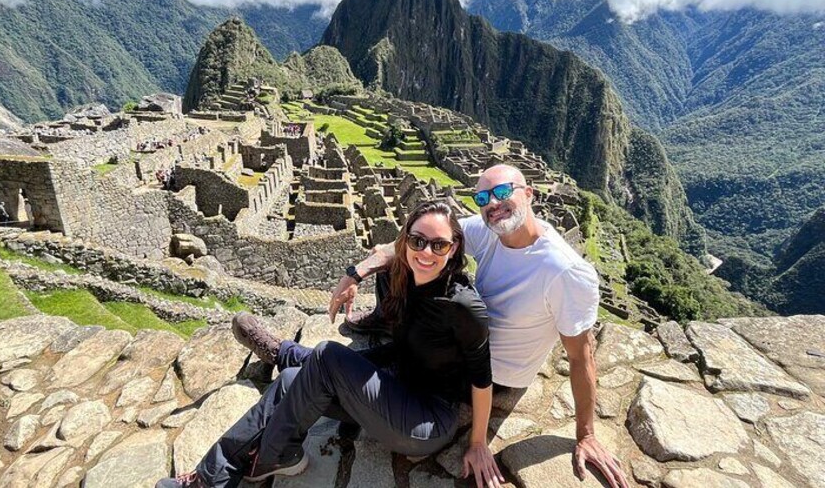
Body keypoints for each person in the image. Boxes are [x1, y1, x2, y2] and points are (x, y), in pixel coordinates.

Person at [157, 201, 499, 488]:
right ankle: (209, 478)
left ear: (453, 248)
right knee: (292, 381)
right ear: (405, 241)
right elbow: (386, 256)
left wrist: (478, 442)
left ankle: (272, 445)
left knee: (326, 356)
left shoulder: (464, 307)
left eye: (438, 245)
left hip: (425, 423)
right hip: (396, 388)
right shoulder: (410, 272)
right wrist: (353, 275)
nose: (426, 252)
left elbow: (482, 379)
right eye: (417, 241)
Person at [331, 164, 630, 488]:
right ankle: (379, 331)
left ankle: (322, 369)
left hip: (487, 372)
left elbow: (580, 356)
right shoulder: (490, 228)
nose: (493, 203)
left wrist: (586, 434)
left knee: (373, 383)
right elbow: (403, 243)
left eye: (503, 192)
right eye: (483, 197)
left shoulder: (564, 271)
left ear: (528, 194)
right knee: (412, 254)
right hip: (463, 339)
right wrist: (356, 273)